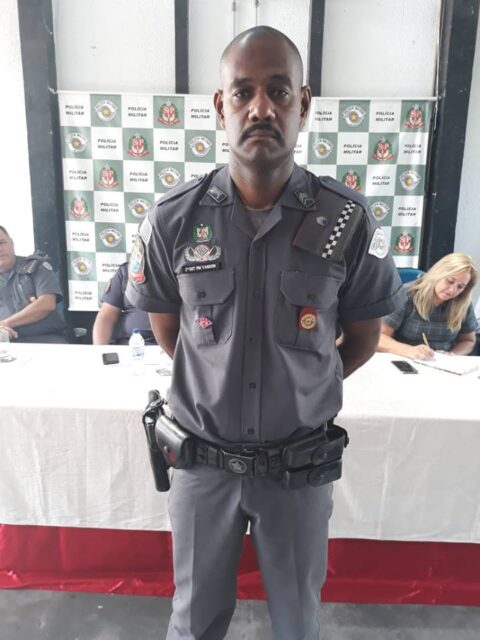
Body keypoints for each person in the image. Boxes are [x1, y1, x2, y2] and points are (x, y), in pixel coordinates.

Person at [127, 26, 406, 640]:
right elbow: (172, 335)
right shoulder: (174, 220)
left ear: (302, 104)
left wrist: (301, 386)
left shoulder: (346, 221)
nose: (261, 108)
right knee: (194, 621)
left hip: (297, 472)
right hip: (202, 468)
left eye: (278, 91)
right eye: (243, 92)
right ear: (219, 105)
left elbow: (361, 340)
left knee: (297, 622)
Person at [378, 252, 478, 359]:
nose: (452, 290)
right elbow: (379, 337)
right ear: (438, 273)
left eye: (460, 287)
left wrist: (452, 355)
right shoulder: (406, 295)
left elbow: (468, 340)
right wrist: (408, 350)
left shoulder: (462, 303)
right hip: (405, 359)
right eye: (450, 281)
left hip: (444, 363)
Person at [0, 225, 67, 343]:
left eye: (1, 243)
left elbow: (47, 304)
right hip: (6, 342)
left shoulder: (35, 266)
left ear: (11, 243)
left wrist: (5, 323)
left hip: (45, 339)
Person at [92, 262, 155, 345]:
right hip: (132, 344)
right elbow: (106, 316)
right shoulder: (127, 270)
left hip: (169, 346)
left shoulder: (172, 269)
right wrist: (100, 350)